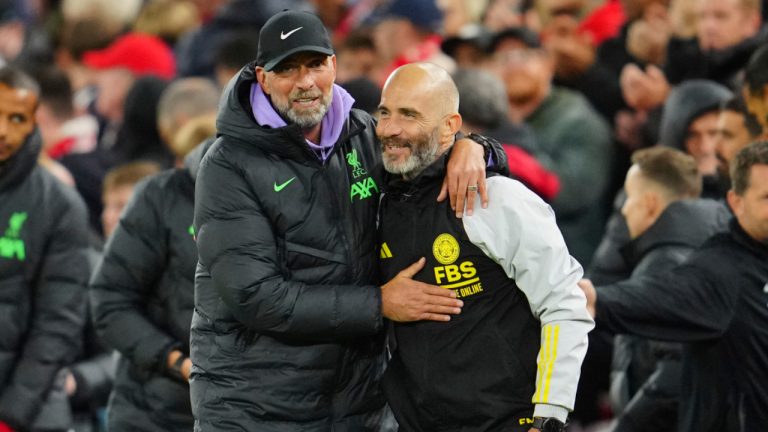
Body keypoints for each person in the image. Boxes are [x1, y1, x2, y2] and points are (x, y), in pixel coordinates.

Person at [191, 9, 501, 432]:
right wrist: (381, 304)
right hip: (255, 404)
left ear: (334, 66)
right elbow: (256, 296)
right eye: (287, 69)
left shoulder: (361, 133)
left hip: (358, 399)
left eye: (315, 65)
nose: (305, 82)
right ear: (262, 78)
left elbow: (426, 152)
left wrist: (473, 148)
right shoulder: (228, 165)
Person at [376, 62, 593, 432]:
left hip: (508, 421)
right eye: (384, 113)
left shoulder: (499, 199)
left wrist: (550, 413)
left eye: (409, 115)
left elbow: (564, 303)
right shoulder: (378, 203)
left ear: (449, 127)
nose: (390, 129)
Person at [579, 140, 768, 431]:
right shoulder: (721, 269)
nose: (626, 210)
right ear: (736, 202)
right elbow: (663, 296)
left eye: (629, 198)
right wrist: (598, 301)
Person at [90, 82, 219, 431]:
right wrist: (177, 362)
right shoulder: (159, 198)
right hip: (155, 412)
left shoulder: (268, 196)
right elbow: (110, 300)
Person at [606, 147, 729, 431]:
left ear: (649, 203)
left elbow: (676, 372)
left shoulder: (666, 265)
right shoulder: (698, 253)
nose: (624, 208)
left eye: (629, 195)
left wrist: (625, 426)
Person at [0, 66, 91, 431]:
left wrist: (11, 415)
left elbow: (57, 323)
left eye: (17, 118)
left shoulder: (60, 205)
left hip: (25, 413)